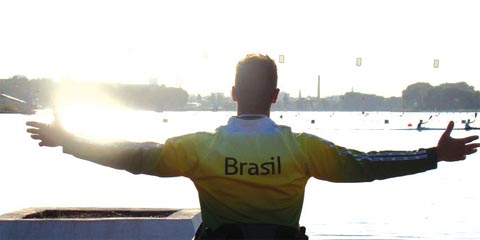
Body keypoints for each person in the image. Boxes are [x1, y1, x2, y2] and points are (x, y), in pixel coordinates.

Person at [27, 54, 480, 240]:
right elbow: (364, 165)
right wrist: (432, 155)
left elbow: (131, 155)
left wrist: (71, 141)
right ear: (276, 97)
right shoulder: (302, 148)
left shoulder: (201, 148)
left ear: (232, 92)